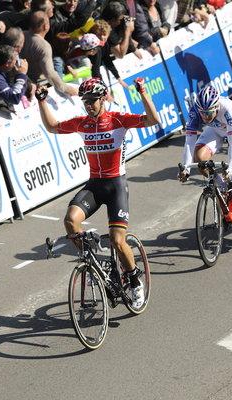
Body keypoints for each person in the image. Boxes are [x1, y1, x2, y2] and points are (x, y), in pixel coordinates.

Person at [36, 77, 161, 308]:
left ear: (103, 98)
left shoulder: (117, 119)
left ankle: (134, 280)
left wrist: (143, 91)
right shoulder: (82, 123)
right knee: (70, 221)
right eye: (85, 101)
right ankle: (91, 263)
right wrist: (41, 101)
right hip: (94, 185)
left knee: (116, 240)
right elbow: (52, 127)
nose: (89, 105)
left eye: (93, 100)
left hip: (116, 186)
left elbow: (153, 119)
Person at [179, 85, 232, 236]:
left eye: (208, 112)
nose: (205, 116)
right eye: (202, 113)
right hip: (216, 130)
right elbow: (189, 142)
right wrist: (185, 168)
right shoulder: (195, 112)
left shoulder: (227, 109)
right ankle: (221, 185)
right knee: (200, 159)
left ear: (216, 106)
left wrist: (231, 167)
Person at [21, 11, 78, 97]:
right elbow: (50, 74)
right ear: (45, 26)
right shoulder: (44, 46)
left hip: (23, 82)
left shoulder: (21, 35)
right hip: (39, 87)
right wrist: (67, 89)